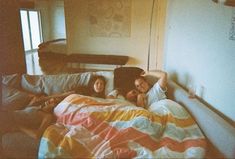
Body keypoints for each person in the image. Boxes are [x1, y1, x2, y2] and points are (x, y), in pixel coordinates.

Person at [0, 91, 74, 140]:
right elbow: (37, 99)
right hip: (7, 113)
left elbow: (37, 135)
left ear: (56, 107)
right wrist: (59, 96)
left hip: (9, 121)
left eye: (55, 102)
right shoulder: (37, 106)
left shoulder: (47, 117)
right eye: (52, 99)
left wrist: (19, 128)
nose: (52, 100)